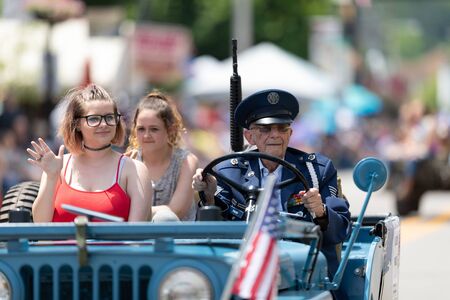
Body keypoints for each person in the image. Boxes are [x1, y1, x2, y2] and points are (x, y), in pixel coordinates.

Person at [192, 89, 351, 279]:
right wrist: (209, 197)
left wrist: (321, 212)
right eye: (265, 129)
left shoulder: (317, 170)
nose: (275, 135)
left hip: (304, 272)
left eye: (282, 128)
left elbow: (341, 231)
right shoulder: (227, 172)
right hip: (244, 270)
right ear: (250, 137)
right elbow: (212, 236)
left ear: (290, 133)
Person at [27, 84, 152, 222]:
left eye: (110, 117)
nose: (104, 124)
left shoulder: (135, 169)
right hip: (61, 244)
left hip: (116, 244)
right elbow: (40, 224)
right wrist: (51, 177)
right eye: (94, 119)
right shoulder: (58, 166)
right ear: (77, 124)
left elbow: (136, 234)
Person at [126, 90, 198, 221]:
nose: (146, 135)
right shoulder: (129, 160)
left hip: (179, 238)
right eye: (141, 129)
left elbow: (176, 212)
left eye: (154, 129)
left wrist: (136, 212)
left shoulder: (186, 161)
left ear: (170, 129)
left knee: (165, 218)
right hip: (139, 238)